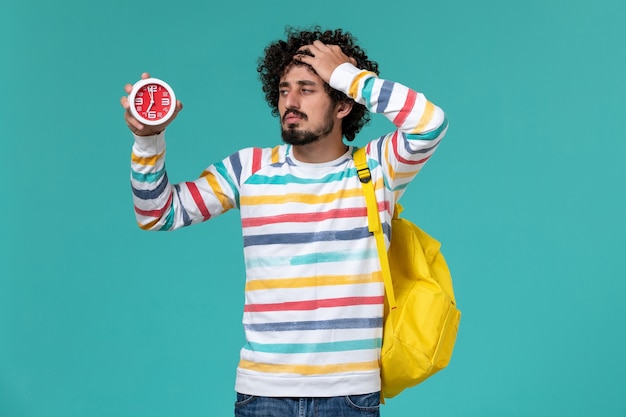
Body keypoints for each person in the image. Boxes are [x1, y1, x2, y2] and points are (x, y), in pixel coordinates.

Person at [121, 26, 448, 417]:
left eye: (307, 89)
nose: (290, 101)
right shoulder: (249, 169)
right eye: (283, 89)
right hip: (263, 394)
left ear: (343, 104)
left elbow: (429, 122)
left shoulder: (378, 168)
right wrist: (149, 140)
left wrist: (346, 74)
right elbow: (158, 213)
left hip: (350, 395)